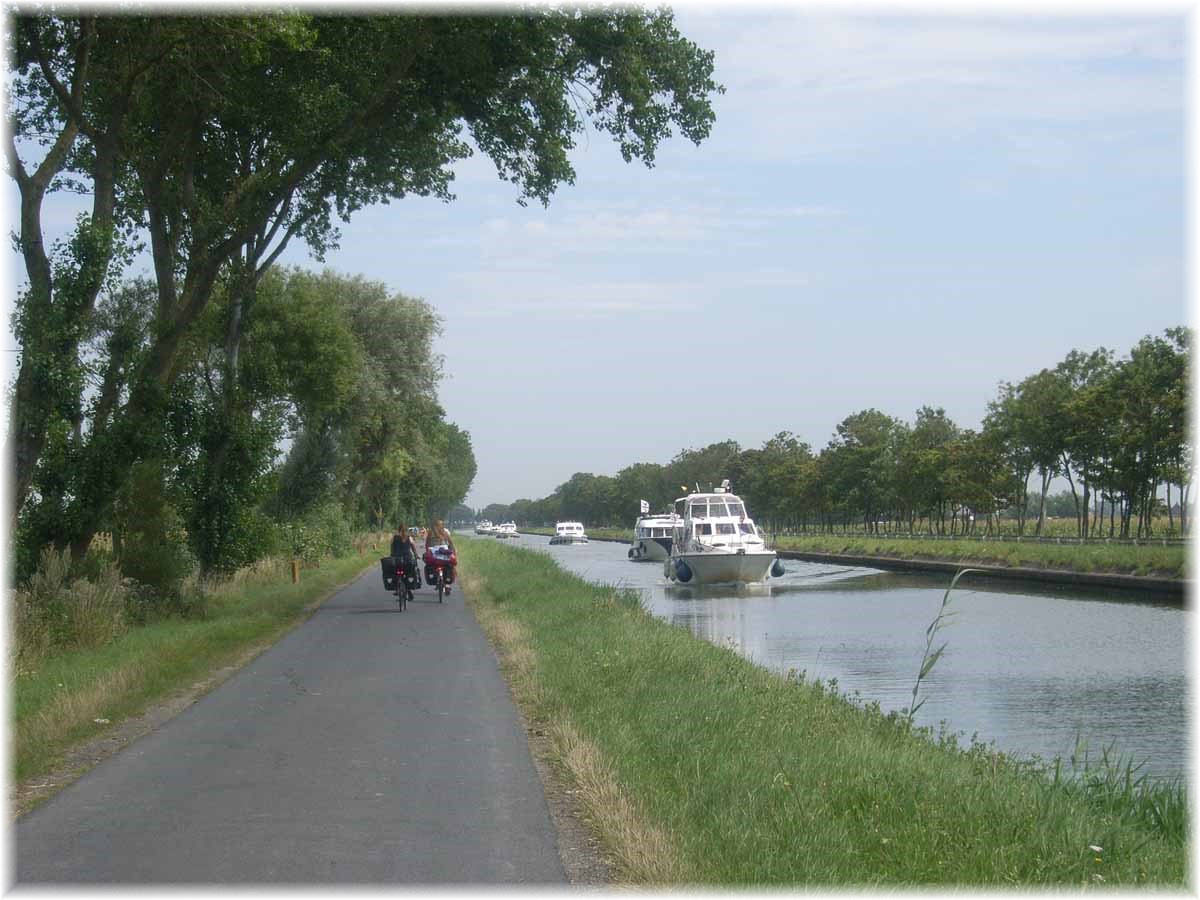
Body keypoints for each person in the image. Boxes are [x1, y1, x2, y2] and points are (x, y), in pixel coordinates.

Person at [425, 518, 456, 592]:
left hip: (434, 554)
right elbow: (451, 543)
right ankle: (447, 584)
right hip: (444, 553)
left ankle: (437, 580)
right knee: (449, 566)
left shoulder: (430, 532)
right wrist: (453, 552)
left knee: (431, 565)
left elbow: (427, 543)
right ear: (442, 525)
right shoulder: (445, 532)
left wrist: (428, 551)